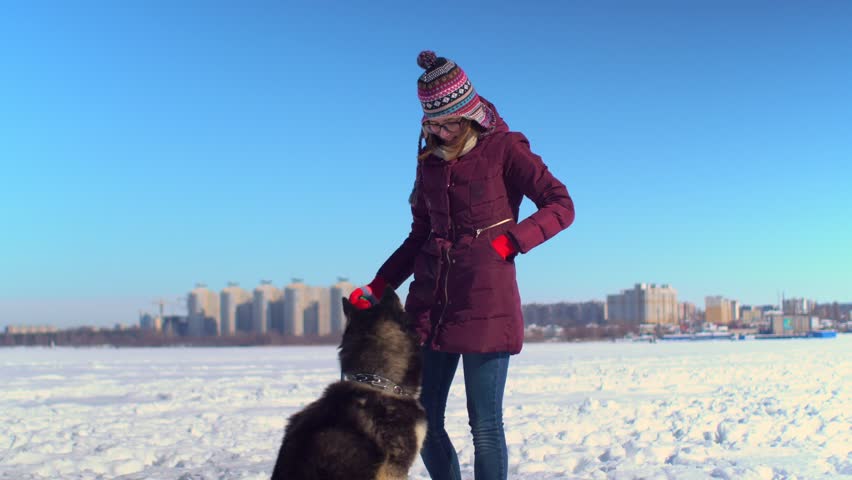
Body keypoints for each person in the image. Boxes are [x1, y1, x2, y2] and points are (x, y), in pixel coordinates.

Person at [348, 50, 574, 480]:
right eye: (431, 125)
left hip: (486, 302)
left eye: (447, 124)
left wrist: (510, 243)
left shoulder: (505, 149)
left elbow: (561, 204)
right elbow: (419, 237)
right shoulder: (429, 165)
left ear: (468, 115)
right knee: (423, 418)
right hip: (431, 306)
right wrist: (379, 286)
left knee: (484, 424)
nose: (440, 133)